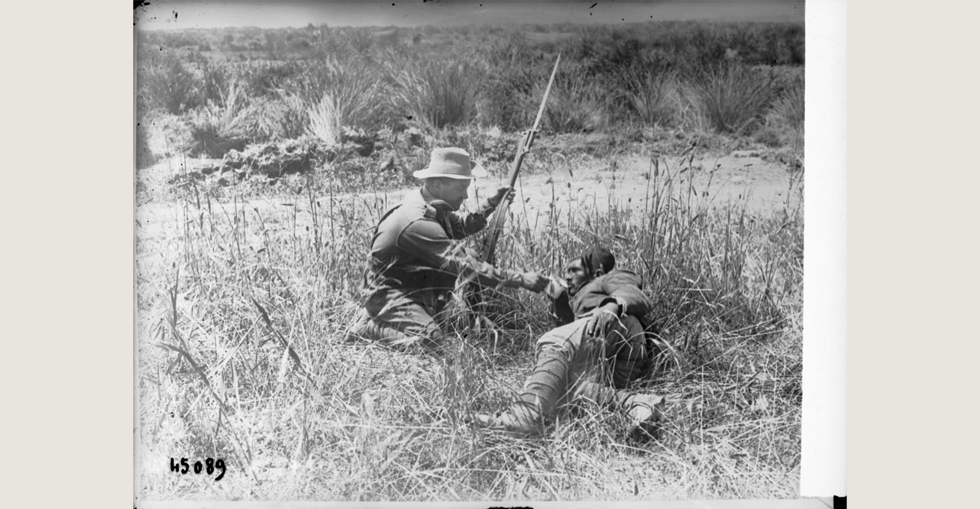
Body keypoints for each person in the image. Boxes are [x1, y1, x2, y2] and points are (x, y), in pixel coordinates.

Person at [347, 147, 551, 351]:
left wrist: (492, 203)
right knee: (431, 340)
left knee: (469, 256)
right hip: (387, 293)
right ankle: (368, 327)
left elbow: (459, 227)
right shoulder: (417, 220)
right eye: (461, 188)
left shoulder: (431, 202)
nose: (466, 195)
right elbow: (466, 267)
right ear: (437, 184)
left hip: (408, 284)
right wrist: (521, 279)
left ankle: (416, 314)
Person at [472, 246, 666, 438]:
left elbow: (629, 288)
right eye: (566, 271)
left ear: (596, 272)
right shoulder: (583, 297)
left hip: (620, 330)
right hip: (609, 358)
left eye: (574, 270)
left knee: (552, 341)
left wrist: (611, 306)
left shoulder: (606, 278)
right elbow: (573, 339)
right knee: (559, 384)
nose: (567, 276)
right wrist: (560, 302)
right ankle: (638, 404)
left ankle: (525, 416)